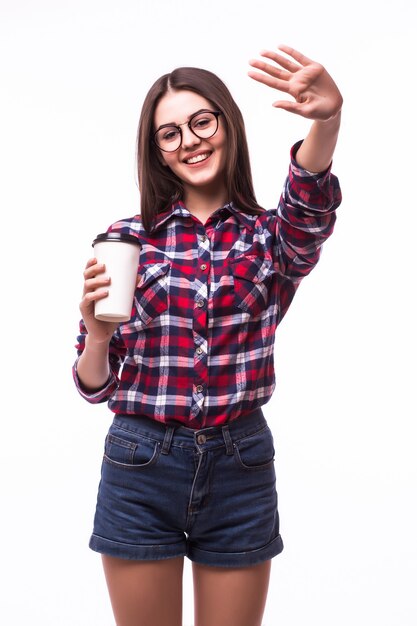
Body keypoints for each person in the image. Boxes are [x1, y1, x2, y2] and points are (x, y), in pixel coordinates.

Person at [73, 45, 342, 626]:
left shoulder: (270, 239)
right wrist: (96, 337)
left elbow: (310, 209)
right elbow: (94, 386)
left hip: (240, 466)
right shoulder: (124, 241)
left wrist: (325, 121)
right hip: (140, 464)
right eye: (170, 133)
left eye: (201, 122)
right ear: (159, 153)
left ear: (226, 125)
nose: (189, 141)